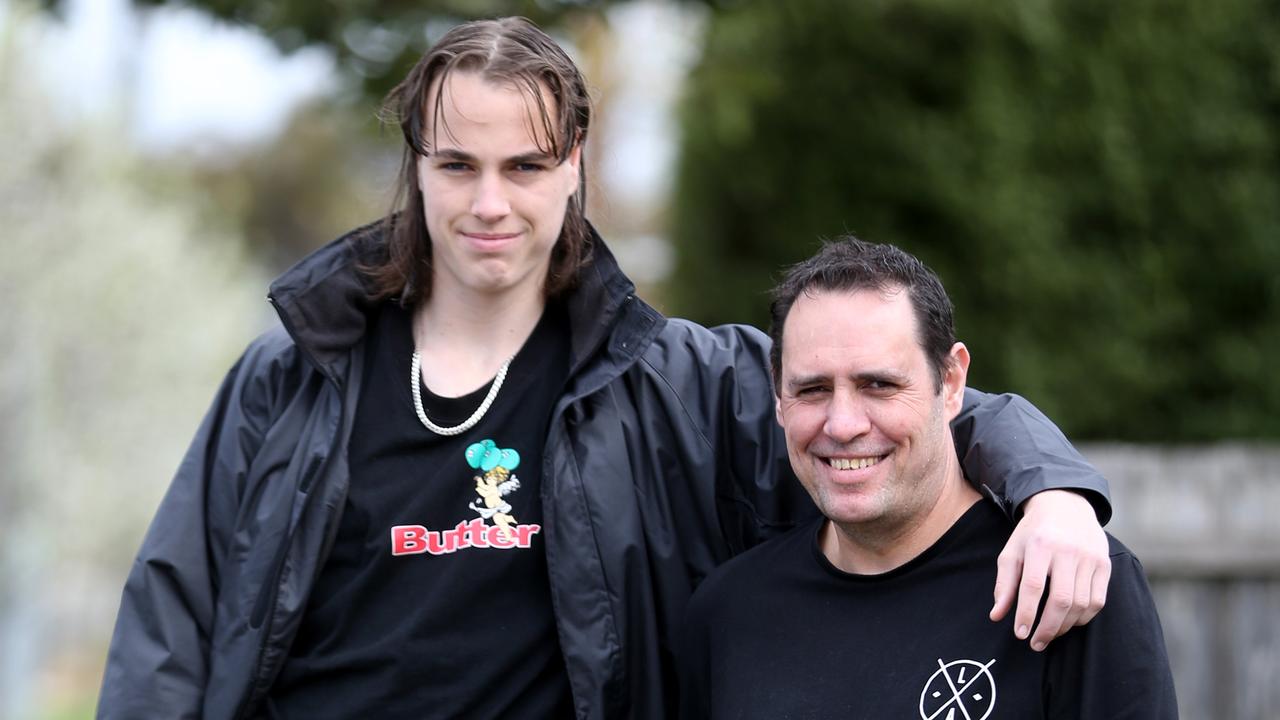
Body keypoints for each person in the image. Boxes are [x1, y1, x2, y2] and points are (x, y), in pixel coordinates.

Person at [97, 17, 1114, 720]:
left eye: (525, 166)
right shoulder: (291, 376)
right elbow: (171, 623)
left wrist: (1056, 494)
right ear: (414, 164)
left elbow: (909, 403)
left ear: (575, 162)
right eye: (457, 165)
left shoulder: (674, 385)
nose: (489, 204)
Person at [677, 237, 1177, 719]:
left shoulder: (1067, 585)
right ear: (778, 398)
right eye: (812, 389)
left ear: (952, 382)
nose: (843, 424)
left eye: (879, 385)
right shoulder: (727, 615)